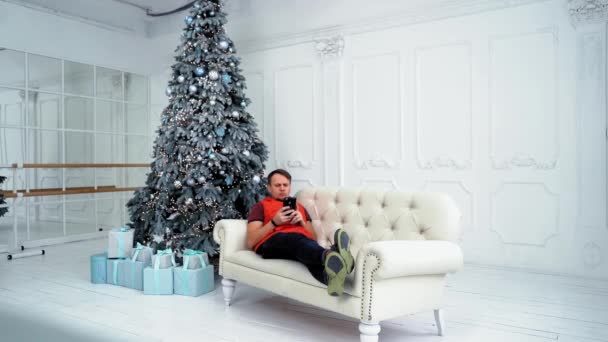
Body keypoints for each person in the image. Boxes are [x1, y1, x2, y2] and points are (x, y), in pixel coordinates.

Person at [246, 169, 354, 296]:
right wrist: (274, 223)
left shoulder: (300, 207)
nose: (282, 188)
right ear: (269, 188)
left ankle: (331, 278)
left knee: (304, 250)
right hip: (271, 243)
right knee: (294, 240)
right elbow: (251, 241)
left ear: (290, 187)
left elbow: (313, 239)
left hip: (299, 243)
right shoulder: (260, 206)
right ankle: (333, 254)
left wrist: (302, 222)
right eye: (277, 185)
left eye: (285, 185)